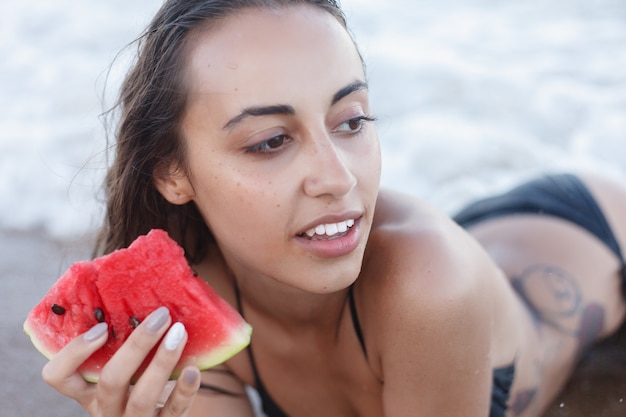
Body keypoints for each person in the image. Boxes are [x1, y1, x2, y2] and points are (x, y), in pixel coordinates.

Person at [40, 1, 626, 416]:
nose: (337, 176)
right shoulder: (180, 320)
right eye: (270, 140)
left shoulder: (431, 289)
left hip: (592, 232)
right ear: (172, 172)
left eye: (351, 121)